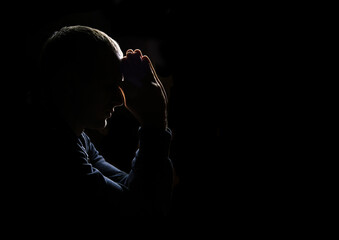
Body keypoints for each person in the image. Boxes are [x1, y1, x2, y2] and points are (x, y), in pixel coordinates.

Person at [23, 25, 173, 217]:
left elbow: (135, 195)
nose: (120, 100)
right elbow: (142, 215)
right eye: (109, 85)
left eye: (120, 85)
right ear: (70, 83)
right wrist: (155, 124)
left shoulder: (75, 137)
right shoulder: (53, 149)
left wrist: (155, 124)